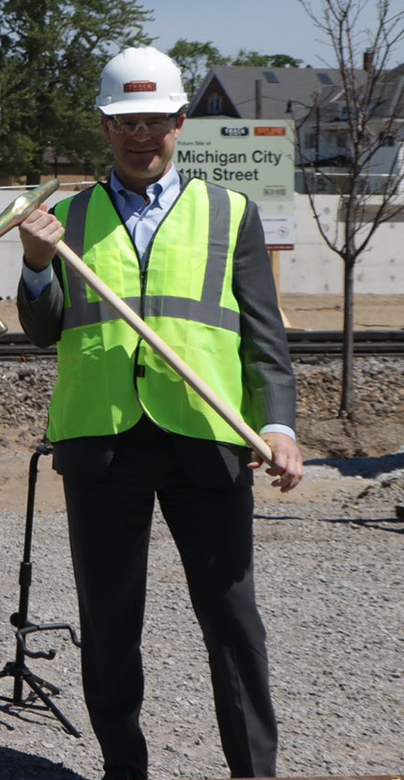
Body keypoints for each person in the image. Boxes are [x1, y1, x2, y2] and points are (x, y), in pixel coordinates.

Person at [15, 45, 304, 780]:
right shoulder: (67, 218)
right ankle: (124, 769)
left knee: (233, 620)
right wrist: (35, 265)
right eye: (125, 122)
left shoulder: (227, 212)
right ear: (105, 128)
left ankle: (254, 772)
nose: (141, 136)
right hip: (100, 441)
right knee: (109, 626)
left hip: (205, 440)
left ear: (181, 122)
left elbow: (263, 336)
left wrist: (277, 425)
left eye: (156, 121)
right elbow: (43, 329)